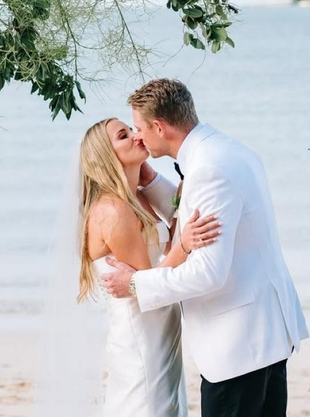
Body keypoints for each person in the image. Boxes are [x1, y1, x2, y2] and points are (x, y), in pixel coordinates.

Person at [101, 79, 309, 417]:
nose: (137, 136)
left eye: (138, 128)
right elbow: (197, 213)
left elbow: (209, 273)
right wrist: (152, 182)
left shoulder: (208, 170)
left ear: (159, 126)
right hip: (266, 333)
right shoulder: (224, 149)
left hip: (238, 346)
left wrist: (136, 284)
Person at [71, 117, 221, 416]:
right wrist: (186, 245)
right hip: (141, 329)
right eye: (123, 136)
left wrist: (179, 214)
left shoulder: (136, 197)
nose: (137, 136)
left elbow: (163, 252)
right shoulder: (113, 210)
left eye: (132, 129)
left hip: (162, 323)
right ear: (106, 156)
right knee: (146, 403)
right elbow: (150, 284)